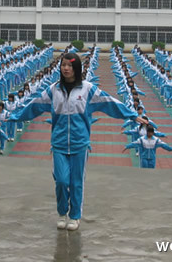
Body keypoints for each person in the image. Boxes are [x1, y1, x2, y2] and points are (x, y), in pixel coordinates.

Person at [8, 53, 144, 231]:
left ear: (76, 68)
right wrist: (14, 117)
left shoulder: (87, 89)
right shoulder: (53, 90)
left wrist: (132, 115)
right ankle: (62, 212)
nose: (66, 68)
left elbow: (110, 103)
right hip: (59, 143)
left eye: (70, 66)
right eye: (63, 65)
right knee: (62, 180)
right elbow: (34, 105)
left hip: (80, 143)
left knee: (76, 181)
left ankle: (74, 216)